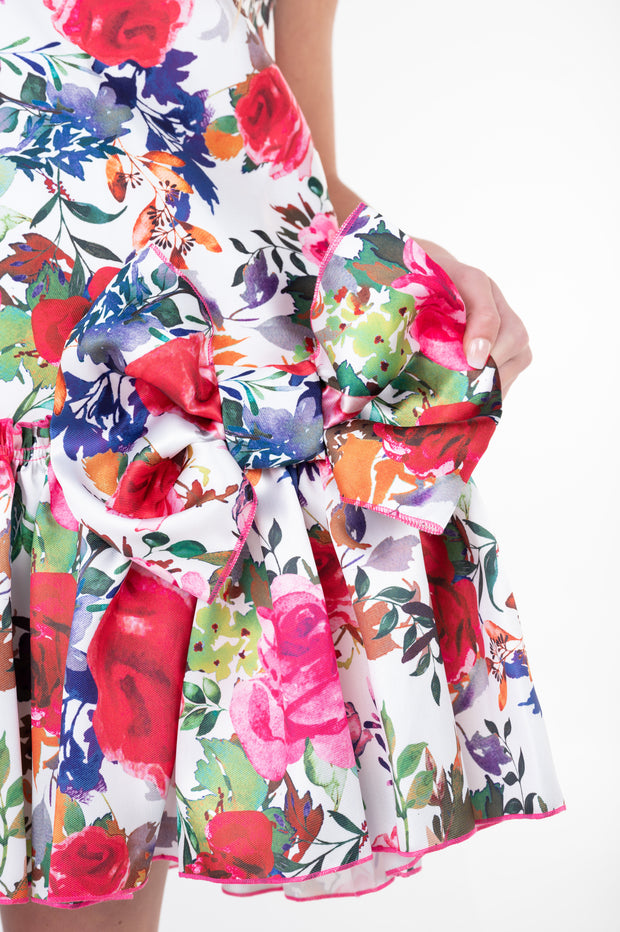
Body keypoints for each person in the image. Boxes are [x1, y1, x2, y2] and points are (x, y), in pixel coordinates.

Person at [0, 0, 562, 929]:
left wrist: (413, 271)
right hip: (58, 407)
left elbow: (286, 148)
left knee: (83, 903)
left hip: (159, 439)